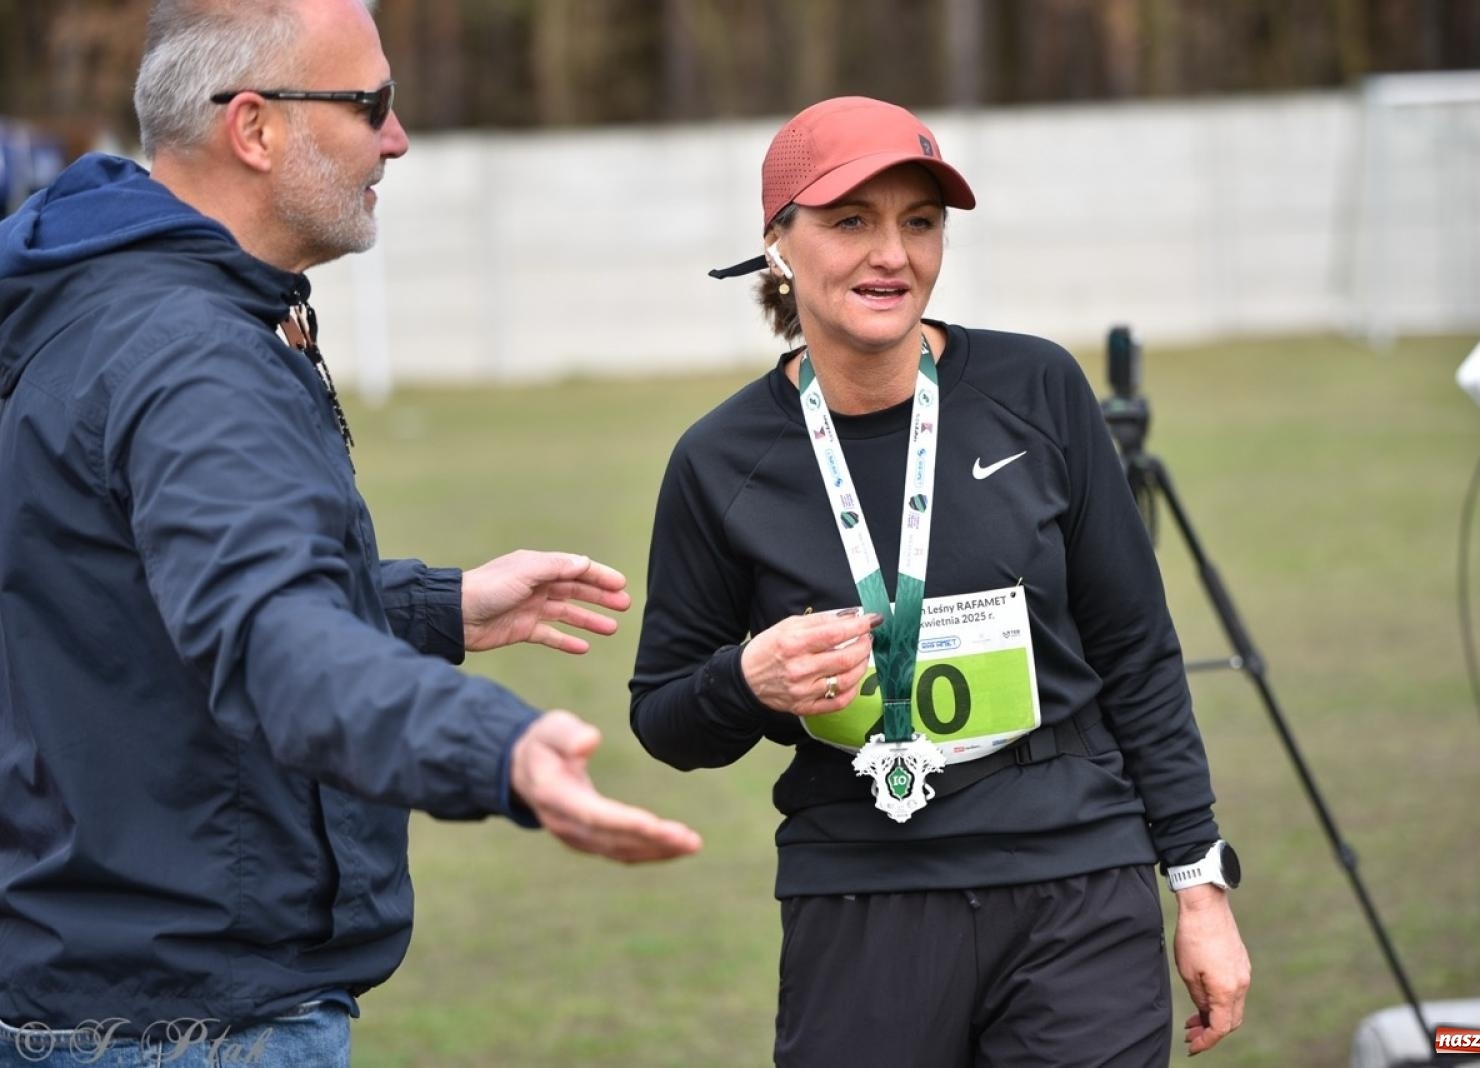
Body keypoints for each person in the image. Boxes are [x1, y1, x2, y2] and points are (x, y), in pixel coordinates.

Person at [0, 1, 699, 1065]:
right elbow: (267, 639)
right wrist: (497, 750)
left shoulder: (99, 302)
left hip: (96, 986)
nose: (397, 137)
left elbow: (142, 603)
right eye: (370, 103)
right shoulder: (189, 355)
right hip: (189, 1026)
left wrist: (428, 607)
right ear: (254, 128)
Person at [630, 96, 1249, 1066]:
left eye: (919, 221)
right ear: (779, 244)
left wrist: (1199, 888)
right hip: (861, 901)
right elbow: (662, 717)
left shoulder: (1038, 391)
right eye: (850, 221)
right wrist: (746, 679)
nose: (892, 254)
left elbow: (1137, 652)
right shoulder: (719, 460)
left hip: (1075, 879)